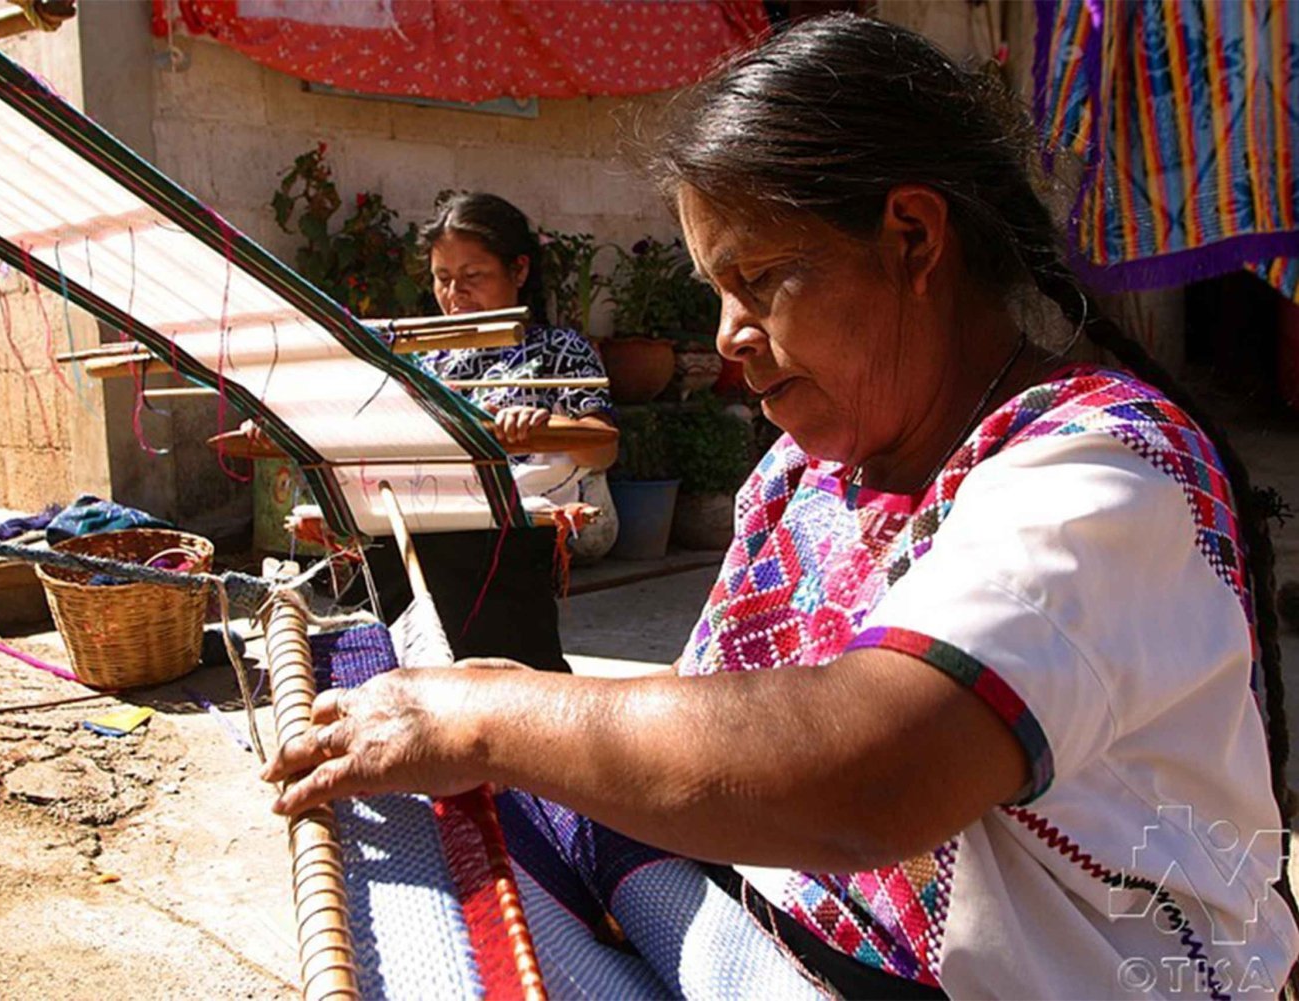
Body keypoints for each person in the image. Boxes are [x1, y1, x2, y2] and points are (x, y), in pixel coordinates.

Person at [263, 15, 1299, 997]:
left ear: (911, 237)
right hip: (765, 938)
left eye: (757, 279)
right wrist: (516, 714)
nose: (726, 335)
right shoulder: (808, 475)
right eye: (717, 290)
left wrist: (490, 713)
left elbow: (872, 772)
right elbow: (722, 719)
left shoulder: (1106, 473)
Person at [354, 191, 617, 673]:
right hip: (417, 532)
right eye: (442, 279)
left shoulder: (557, 351)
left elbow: (602, 446)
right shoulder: (421, 358)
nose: (455, 295)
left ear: (518, 272)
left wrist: (542, 427)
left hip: (506, 546)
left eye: (473, 277)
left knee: (512, 683)